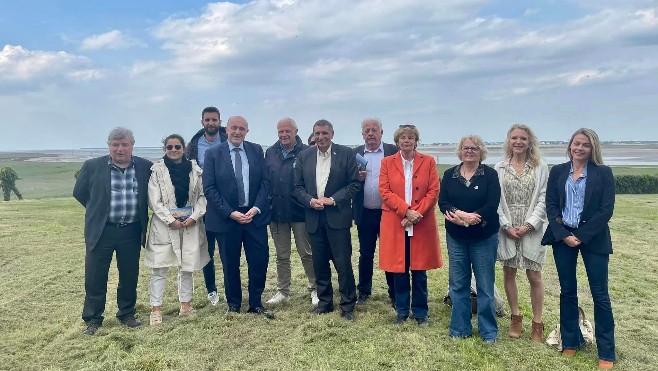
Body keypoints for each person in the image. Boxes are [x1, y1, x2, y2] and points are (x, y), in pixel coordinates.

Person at [541, 128, 616, 370]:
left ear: (592, 148)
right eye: (576, 143)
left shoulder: (603, 173)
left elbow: (606, 210)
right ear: (570, 145)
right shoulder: (559, 171)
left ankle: (607, 351)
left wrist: (581, 236)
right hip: (563, 238)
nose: (579, 148)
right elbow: (551, 206)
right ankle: (570, 340)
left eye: (585, 144)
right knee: (567, 291)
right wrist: (564, 235)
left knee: (600, 295)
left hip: (593, 239)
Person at [73, 127, 152, 335]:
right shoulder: (92, 166)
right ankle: (93, 319)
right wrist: (97, 212)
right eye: (115, 145)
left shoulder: (145, 167)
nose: (120, 149)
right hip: (102, 231)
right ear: (109, 146)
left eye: (124, 144)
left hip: (131, 231)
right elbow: (79, 193)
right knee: (95, 277)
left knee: (129, 275)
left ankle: (126, 314)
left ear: (132, 146)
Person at [202, 116, 273, 319]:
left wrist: (257, 208)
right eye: (234, 128)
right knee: (230, 263)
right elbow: (209, 187)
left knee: (259, 261)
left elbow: (265, 183)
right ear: (226, 129)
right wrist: (230, 212)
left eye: (242, 129)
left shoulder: (256, 150)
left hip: (254, 218)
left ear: (247, 131)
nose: (237, 132)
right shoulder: (213, 154)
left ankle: (255, 303)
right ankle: (233, 304)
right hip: (227, 219)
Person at [293, 119, 361, 321]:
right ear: (313, 135)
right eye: (317, 134)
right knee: (320, 262)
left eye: (324, 133)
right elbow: (297, 188)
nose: (320, 137)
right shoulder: (304, 156)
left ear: (332, 134)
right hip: (313, 217)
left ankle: (348, 305)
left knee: (343, 263)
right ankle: (325, 302)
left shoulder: (347, 154)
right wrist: (310, 201)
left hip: (337, 218)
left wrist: (332, 200)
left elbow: (354, 185)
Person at [438, 135, 501, 343]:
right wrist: (461, 216)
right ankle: (460, 328)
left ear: (481, 151)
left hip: (484, 237)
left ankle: (488, 331)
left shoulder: (490, 175)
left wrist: (472, 218)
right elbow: (443, 202)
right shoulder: (449, 174)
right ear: (460, 151)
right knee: (458, 284)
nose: (469, 151)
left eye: (474, 148)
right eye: (466, 148)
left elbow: (492, 205)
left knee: (484, 285)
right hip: (456, 237)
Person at [379, 124, 442, 325]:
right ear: (397, 141)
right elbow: (385, 191)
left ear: (416, 141)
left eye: (410, 138)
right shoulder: (387, 163)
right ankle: (402, 310)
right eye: (403, 138)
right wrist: (406, 211)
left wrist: (416, 214)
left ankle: (421, 312)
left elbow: (433, 191)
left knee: (419, 269)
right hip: (395, 222)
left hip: (421, 223)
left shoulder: (429, 162)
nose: (407, 141)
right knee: (399, 268)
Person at [144, 134, 210, 325]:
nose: (173, 151)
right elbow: (154, 200)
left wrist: (194, 217)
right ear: (164, 149)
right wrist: (169, 219)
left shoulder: (196, 170)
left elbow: (202, 197)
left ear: (184, 149)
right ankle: (156, 309)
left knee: (187, 267)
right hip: (165, 226)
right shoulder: (156, 171)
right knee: (159, 269)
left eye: (177, 147)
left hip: (189, 224)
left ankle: (186, 306)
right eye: (169, 147)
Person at [495, 124, 549, 342]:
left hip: (532, 226)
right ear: (509, 141)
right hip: (507, 226)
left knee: (534, 274)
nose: (518, 142)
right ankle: (516, 317)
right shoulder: (499, 167)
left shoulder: (540, 167)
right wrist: (506, 225)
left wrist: (529, 225)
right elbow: (496, 199)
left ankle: (537, 323)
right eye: (514, 138)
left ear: (529, 142)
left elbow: (545, 198)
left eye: (523, 139)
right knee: (509, 272)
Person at [265, 118, 318, 305]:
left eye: (287, 131)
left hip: (301, 213)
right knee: (281, 255)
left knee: (307, 253)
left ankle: (315, 289)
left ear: (295, 131)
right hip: (277, 213)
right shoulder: (270, 152)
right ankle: (283, 291)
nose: (284, 135)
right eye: (280, 131)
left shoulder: (306, 152)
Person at [352, 118, 397, 306]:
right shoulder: (354, 154)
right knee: (366, 253)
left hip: (389, 213)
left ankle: (394, 292)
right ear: (362, 134)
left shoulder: (393, 151)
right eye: (367, 130)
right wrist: (356, 177)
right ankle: (364, 290)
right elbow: (347, 182)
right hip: (365, 212)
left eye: (374, 130)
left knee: (390, 252)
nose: (371, 133)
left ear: (381, 132)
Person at [187, 106, 228, 307]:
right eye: (207, 120)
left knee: (228, 248)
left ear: (220, 121)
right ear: (202, 122)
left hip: (226, 202)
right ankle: (212, 289)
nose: (211, 123)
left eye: (214, 120)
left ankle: (231, 287)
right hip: (202, 203)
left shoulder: (228, 140)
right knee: (207, 249)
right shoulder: (194, 145)